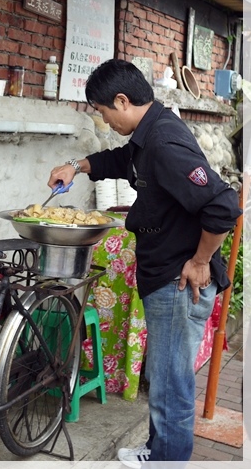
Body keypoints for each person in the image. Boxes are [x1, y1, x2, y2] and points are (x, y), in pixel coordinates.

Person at [48, 59, 241, 467]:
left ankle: (167, 461)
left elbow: (223, 206)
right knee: (167, 377)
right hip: (164, 273)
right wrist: (78, 166)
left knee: (171, 386)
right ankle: (159, 451)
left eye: (102, 112)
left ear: (122, 100)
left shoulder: (164, 142)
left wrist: (201, 261)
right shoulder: (147, 134)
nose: (103, 120)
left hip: (177, 277)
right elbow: (122, 161)